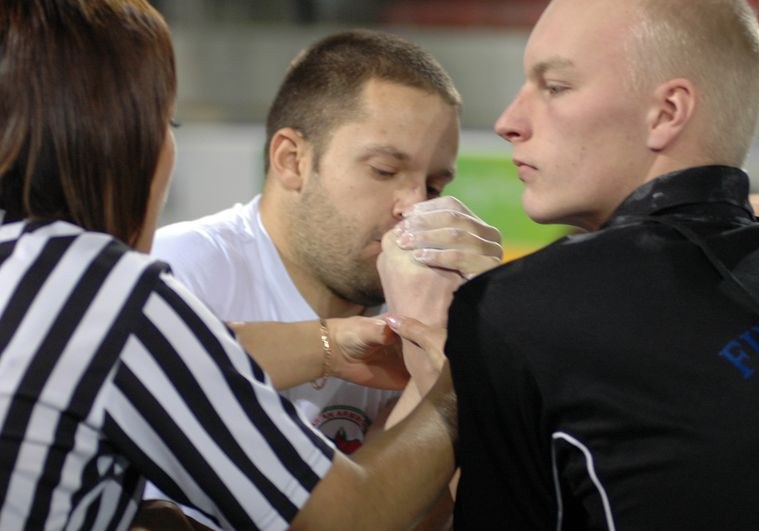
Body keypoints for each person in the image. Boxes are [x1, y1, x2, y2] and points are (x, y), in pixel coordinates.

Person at [0, 2, 462, 529]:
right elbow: (350, 516)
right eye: (166, 123)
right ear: (119, 141)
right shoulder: (115, 293)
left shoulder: (29, 269)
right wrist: (468, 367)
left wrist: (330, 345)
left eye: (434, 187)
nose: (415, 207)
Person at [380, 0, 759, 529]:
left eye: (555, 87)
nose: (509, 122)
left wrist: (449, 350)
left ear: (667, 113)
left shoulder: (521, 309)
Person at [141, 29, 500, 528]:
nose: (415, 206)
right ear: (292, 160)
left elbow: (419, 516)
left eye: (435, 186)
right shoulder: (179, 273)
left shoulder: (425, 297)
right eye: (384, 170)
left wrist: (474, 327)